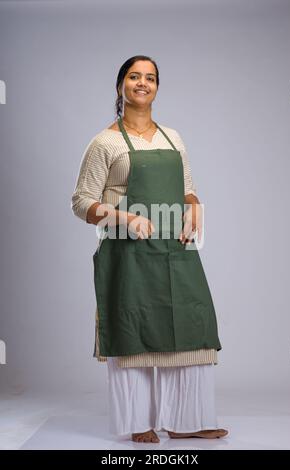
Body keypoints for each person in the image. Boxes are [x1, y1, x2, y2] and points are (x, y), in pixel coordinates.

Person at [71, 55, 228, 443]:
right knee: (133, 329)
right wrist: (126, 217)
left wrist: (194, 209)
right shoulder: (104, 142)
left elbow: (187, 188)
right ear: (121, 84)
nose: (143, 83)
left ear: (157, 87)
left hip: (176, 251)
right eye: (134, 76)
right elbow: (81, 203)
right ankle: (136, 422)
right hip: (129, 255)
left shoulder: (174, 137)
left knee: (192, 326)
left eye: (150, 78)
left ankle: (187, 420)